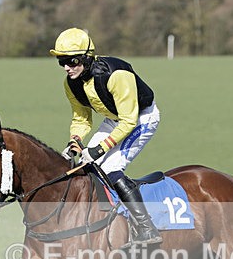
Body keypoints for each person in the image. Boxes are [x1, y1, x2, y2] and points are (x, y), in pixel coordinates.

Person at [51, 27, 162, 247]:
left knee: (111, 167)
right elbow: (82, 118)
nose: (66, 67)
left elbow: (129, 121)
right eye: (61, 62)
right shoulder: (70, 84)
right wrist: (75, 142)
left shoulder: (116, 75)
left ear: (86, 57)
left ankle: (147, 228)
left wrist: (100, 148)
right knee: (84, 163)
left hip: (141, 118)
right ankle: (101, 220)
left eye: (71, 61)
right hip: (114, 119)